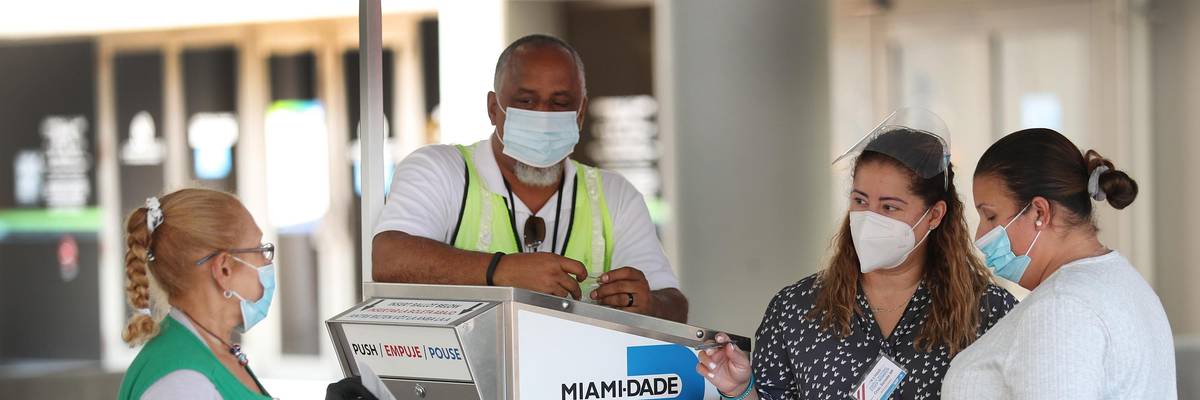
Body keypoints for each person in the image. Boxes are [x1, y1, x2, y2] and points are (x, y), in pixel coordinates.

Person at [697, 110, 1015, 399]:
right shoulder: (796, 309)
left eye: (889, 207)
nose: (869, 218)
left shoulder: (988, 312)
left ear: (934, 215)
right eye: (860, 201)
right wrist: (740, 389)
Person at [371, 34, 687, 322]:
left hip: (571, 384)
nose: (543, 115)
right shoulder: (440, 169)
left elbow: (673, 304)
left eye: (560, 103)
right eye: (526, 101)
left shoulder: (614, 195)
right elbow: (389, 259)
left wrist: (648, 304)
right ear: (494, 108)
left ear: (580, 112)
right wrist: (500, 270)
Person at [942, 128, 1176, 399]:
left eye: (991, 216)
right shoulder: (1124, 283)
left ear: (1040, 212)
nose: (980, 235)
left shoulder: (1060, 307)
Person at [118, 189, 276, 399]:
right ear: (224, 269)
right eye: (258, 249)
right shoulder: (182, 383)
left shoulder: (209, 351)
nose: (268, 262)